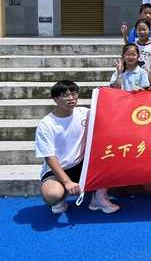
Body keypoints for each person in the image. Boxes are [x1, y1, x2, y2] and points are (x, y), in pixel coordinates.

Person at [35, 80, 120, 214]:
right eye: (65, 95)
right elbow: (49, 157)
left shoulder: (84, 113)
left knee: (111, 156)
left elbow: (110, 113)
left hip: (82, 164)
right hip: (58, 168)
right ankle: (60, 198)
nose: (71, 98)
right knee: (52, 196)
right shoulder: (46, 124)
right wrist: (67, 182)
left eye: (74, 94)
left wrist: (134, 94)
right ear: (55, 99)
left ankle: (98, 198)